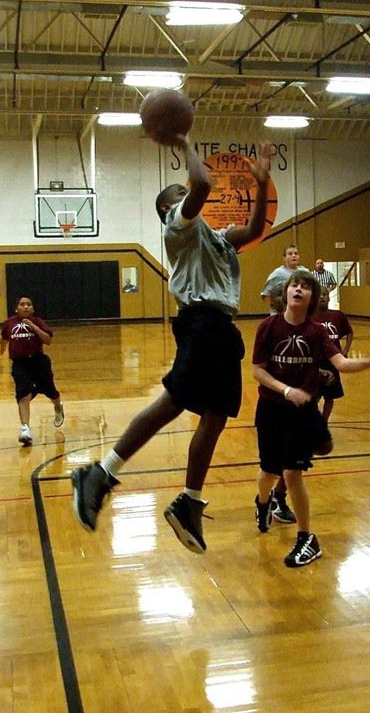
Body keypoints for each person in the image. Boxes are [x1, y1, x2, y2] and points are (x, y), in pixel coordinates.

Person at [70, 137, 271, 554]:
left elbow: (254, 230)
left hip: (222, 329)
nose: (187, 192)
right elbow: (200, 184)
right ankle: (99, 474)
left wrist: (263, 182)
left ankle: (189, 503)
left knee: (216, 416)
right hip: (200, 323)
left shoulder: (215, 237)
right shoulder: (178, 226)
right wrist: (182, 139)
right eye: (178, 193)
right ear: (169, 208)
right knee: (174, 402)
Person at [252, 270, 370, 567]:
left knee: (292, 474)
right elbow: (258, 371)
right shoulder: (268, 327)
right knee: (268, 474)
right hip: (271, 409)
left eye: (305, 287)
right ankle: (263, 502)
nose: (298, 290)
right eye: (294, 285)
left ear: (312, 298)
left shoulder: (317, 333)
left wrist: (369, 363)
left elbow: (340, 362)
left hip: (301, 414)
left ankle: (306, 538)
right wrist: (287, 390)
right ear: (285, 293)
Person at [0, 295, 65, 446]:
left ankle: (58, 407)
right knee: (23, 394)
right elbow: (3, 338)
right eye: (22, 304)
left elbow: (48, 340)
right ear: (16, 308)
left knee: (50, 391)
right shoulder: (9, 323)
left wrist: (33, 327)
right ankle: (25, 429)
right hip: (20, 364)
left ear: (33, 308)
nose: (26, 307)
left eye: (29, 304)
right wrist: (2, 349)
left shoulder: (38, 322)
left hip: (38, 361)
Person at [312, 284, 353, 422]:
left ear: (329, 297)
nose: (322, 297)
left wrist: (346, 349)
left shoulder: (338, 315)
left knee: (330, 395)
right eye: (319, 295)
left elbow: (349, 332)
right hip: (316, 361)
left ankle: (324, 421)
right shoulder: (310, 317)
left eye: (324, 294)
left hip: (332, 361)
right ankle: (312, 420)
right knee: (315, 394)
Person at [261, 244, 307, 313]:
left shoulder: (305, 272)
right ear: (284, 258)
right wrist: (278, 306)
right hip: (280, 314)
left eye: (296, 254)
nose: (294, 256)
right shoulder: (277, 274)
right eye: (290, 254)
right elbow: (265, 295)